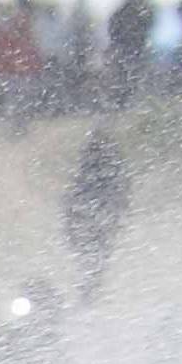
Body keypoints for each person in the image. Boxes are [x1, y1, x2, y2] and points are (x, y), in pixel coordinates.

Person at [63, 126, 131, 303]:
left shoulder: (91, 168)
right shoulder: (110, 166)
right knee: (96, 254)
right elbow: (120, 191)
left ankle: (89, 286)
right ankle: (91, 285)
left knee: (90, 255)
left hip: (92, 214)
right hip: (97, 214)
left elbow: (77, 191)